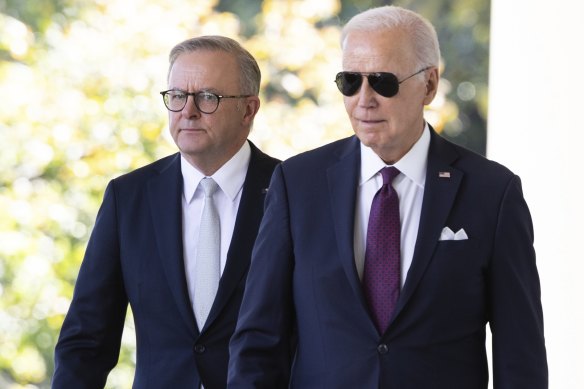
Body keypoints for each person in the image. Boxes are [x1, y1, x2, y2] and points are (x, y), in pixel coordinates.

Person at [228, 5, 547, 388]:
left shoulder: (493, 193)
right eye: (350, 81)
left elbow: (520, 357)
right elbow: (259, 341)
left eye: (383, 82)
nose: (364, 99)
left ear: (429, 84)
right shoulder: (297, 184)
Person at [53, 35, 280, 389]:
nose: (187, 111)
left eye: (207, 97)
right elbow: (87, 341)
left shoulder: (294, 193)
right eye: (177, 96)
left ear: (248, 109)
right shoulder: (128, 198)